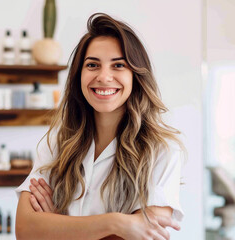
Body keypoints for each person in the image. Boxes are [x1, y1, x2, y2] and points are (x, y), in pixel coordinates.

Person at [15, 12, 185, 240]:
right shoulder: (58, 142)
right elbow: (25, 230)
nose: (104, 77)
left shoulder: (162, 151)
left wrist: (57, 226)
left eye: (118, 65)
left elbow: (145, 236)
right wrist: (115, 222)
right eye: (93, 64)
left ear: (136, 75)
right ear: (79, 75)